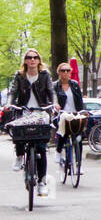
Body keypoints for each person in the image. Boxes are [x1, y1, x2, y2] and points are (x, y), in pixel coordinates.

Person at [6, 49, 55, 195]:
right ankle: (20, 156)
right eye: (29, 57)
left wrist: (55, 103)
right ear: (25, 61)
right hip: (24, 111)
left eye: (35, 57)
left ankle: (41, 181)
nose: (32, 60)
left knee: (41, 147)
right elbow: (13, 92)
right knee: (19, 134)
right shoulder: (20, 76)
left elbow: (51, 92)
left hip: (40, 112)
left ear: (39, 60)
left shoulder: (45, 75)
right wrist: (9, 103)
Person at [53, 62, 87, 173]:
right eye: (63, 70)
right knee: (63, 131)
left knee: (78, 138)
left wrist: (82, 112)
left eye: (68, 70)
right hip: (62, 114)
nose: (66, 73)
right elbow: (52, 99)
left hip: (74, 114)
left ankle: (78, 164)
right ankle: (58, 152)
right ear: (59, 72)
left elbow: (80, 100)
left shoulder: (75, 84)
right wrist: (55, 106)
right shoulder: (55, 86)